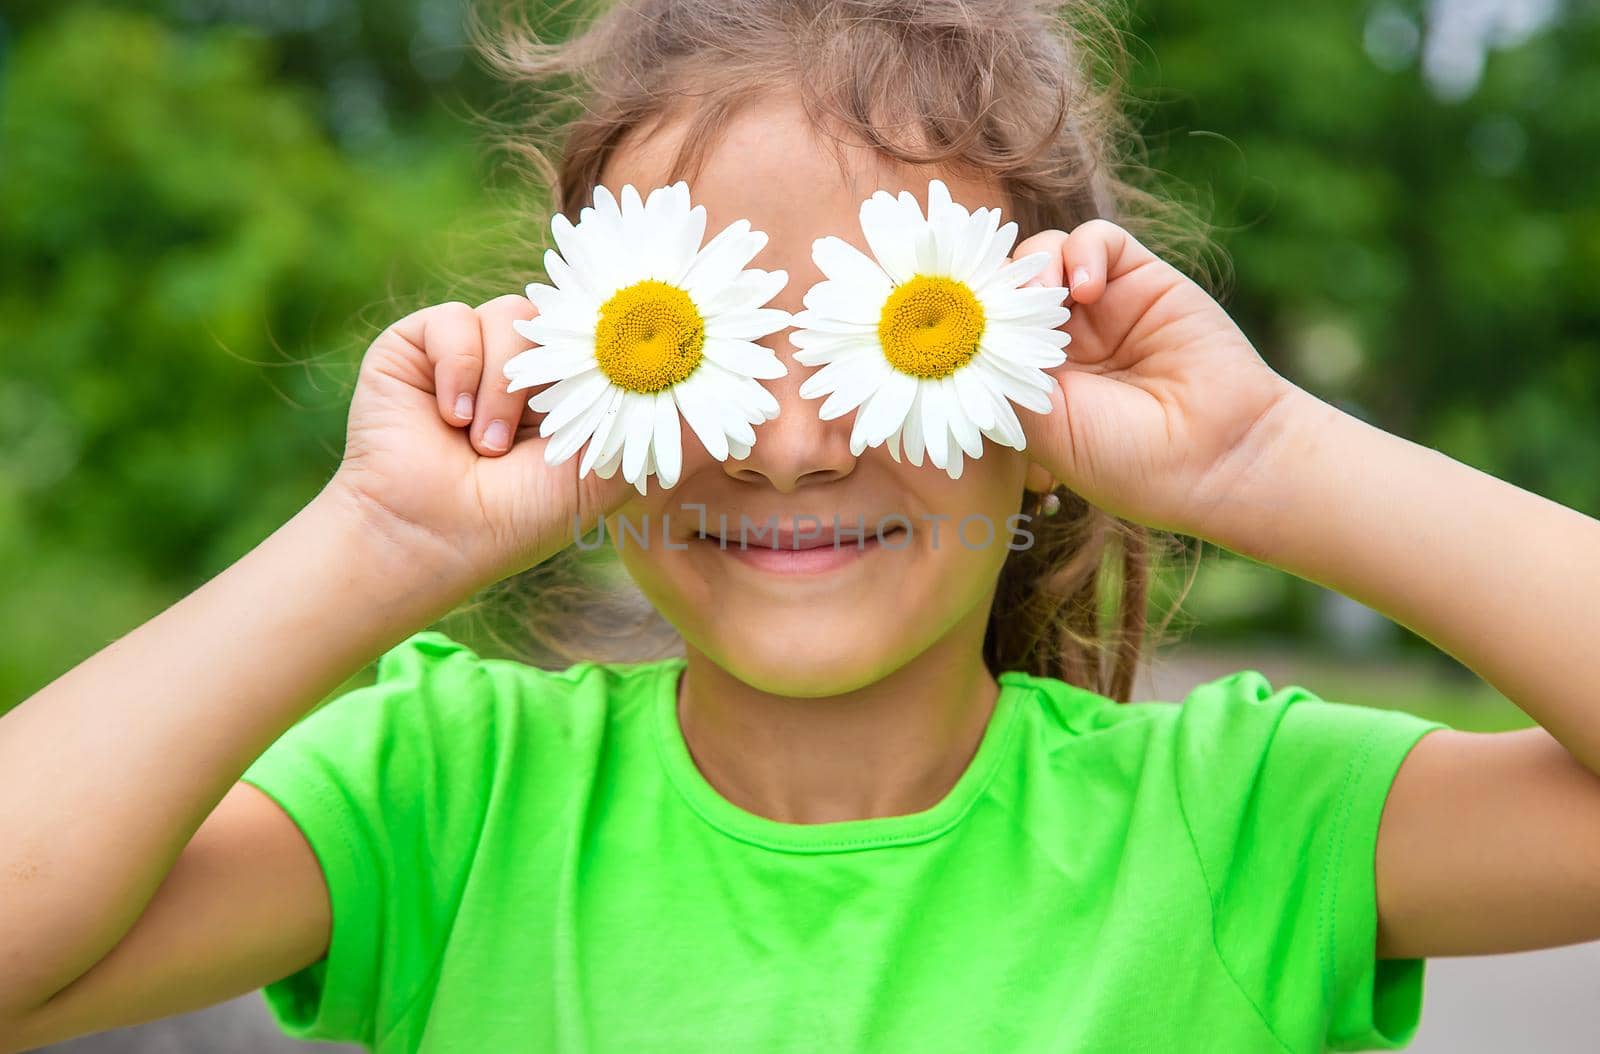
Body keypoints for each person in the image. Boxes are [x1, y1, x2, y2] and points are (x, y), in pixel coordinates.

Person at [4, 1, 1599, 1052]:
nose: (783, 440)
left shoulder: (1242, 823)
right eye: (695, 339)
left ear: (1045, 409)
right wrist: (370, 541)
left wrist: (1259, 455)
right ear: (580, 391)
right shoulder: (446, 797)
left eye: (900, 337)